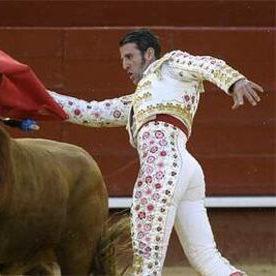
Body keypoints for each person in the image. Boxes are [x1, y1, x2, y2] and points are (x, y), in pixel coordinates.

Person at [47, 28, 264, 276]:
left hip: (161, 165)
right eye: (122, 59)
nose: (124, 65)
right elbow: (88, 111)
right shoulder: (136, 102)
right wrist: (40, 96)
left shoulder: (170, 66)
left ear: (149, 54)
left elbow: (206, 64)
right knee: (206, 257)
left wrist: (235, 81)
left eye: (129, 57)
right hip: (185, 168)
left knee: (147, 262)